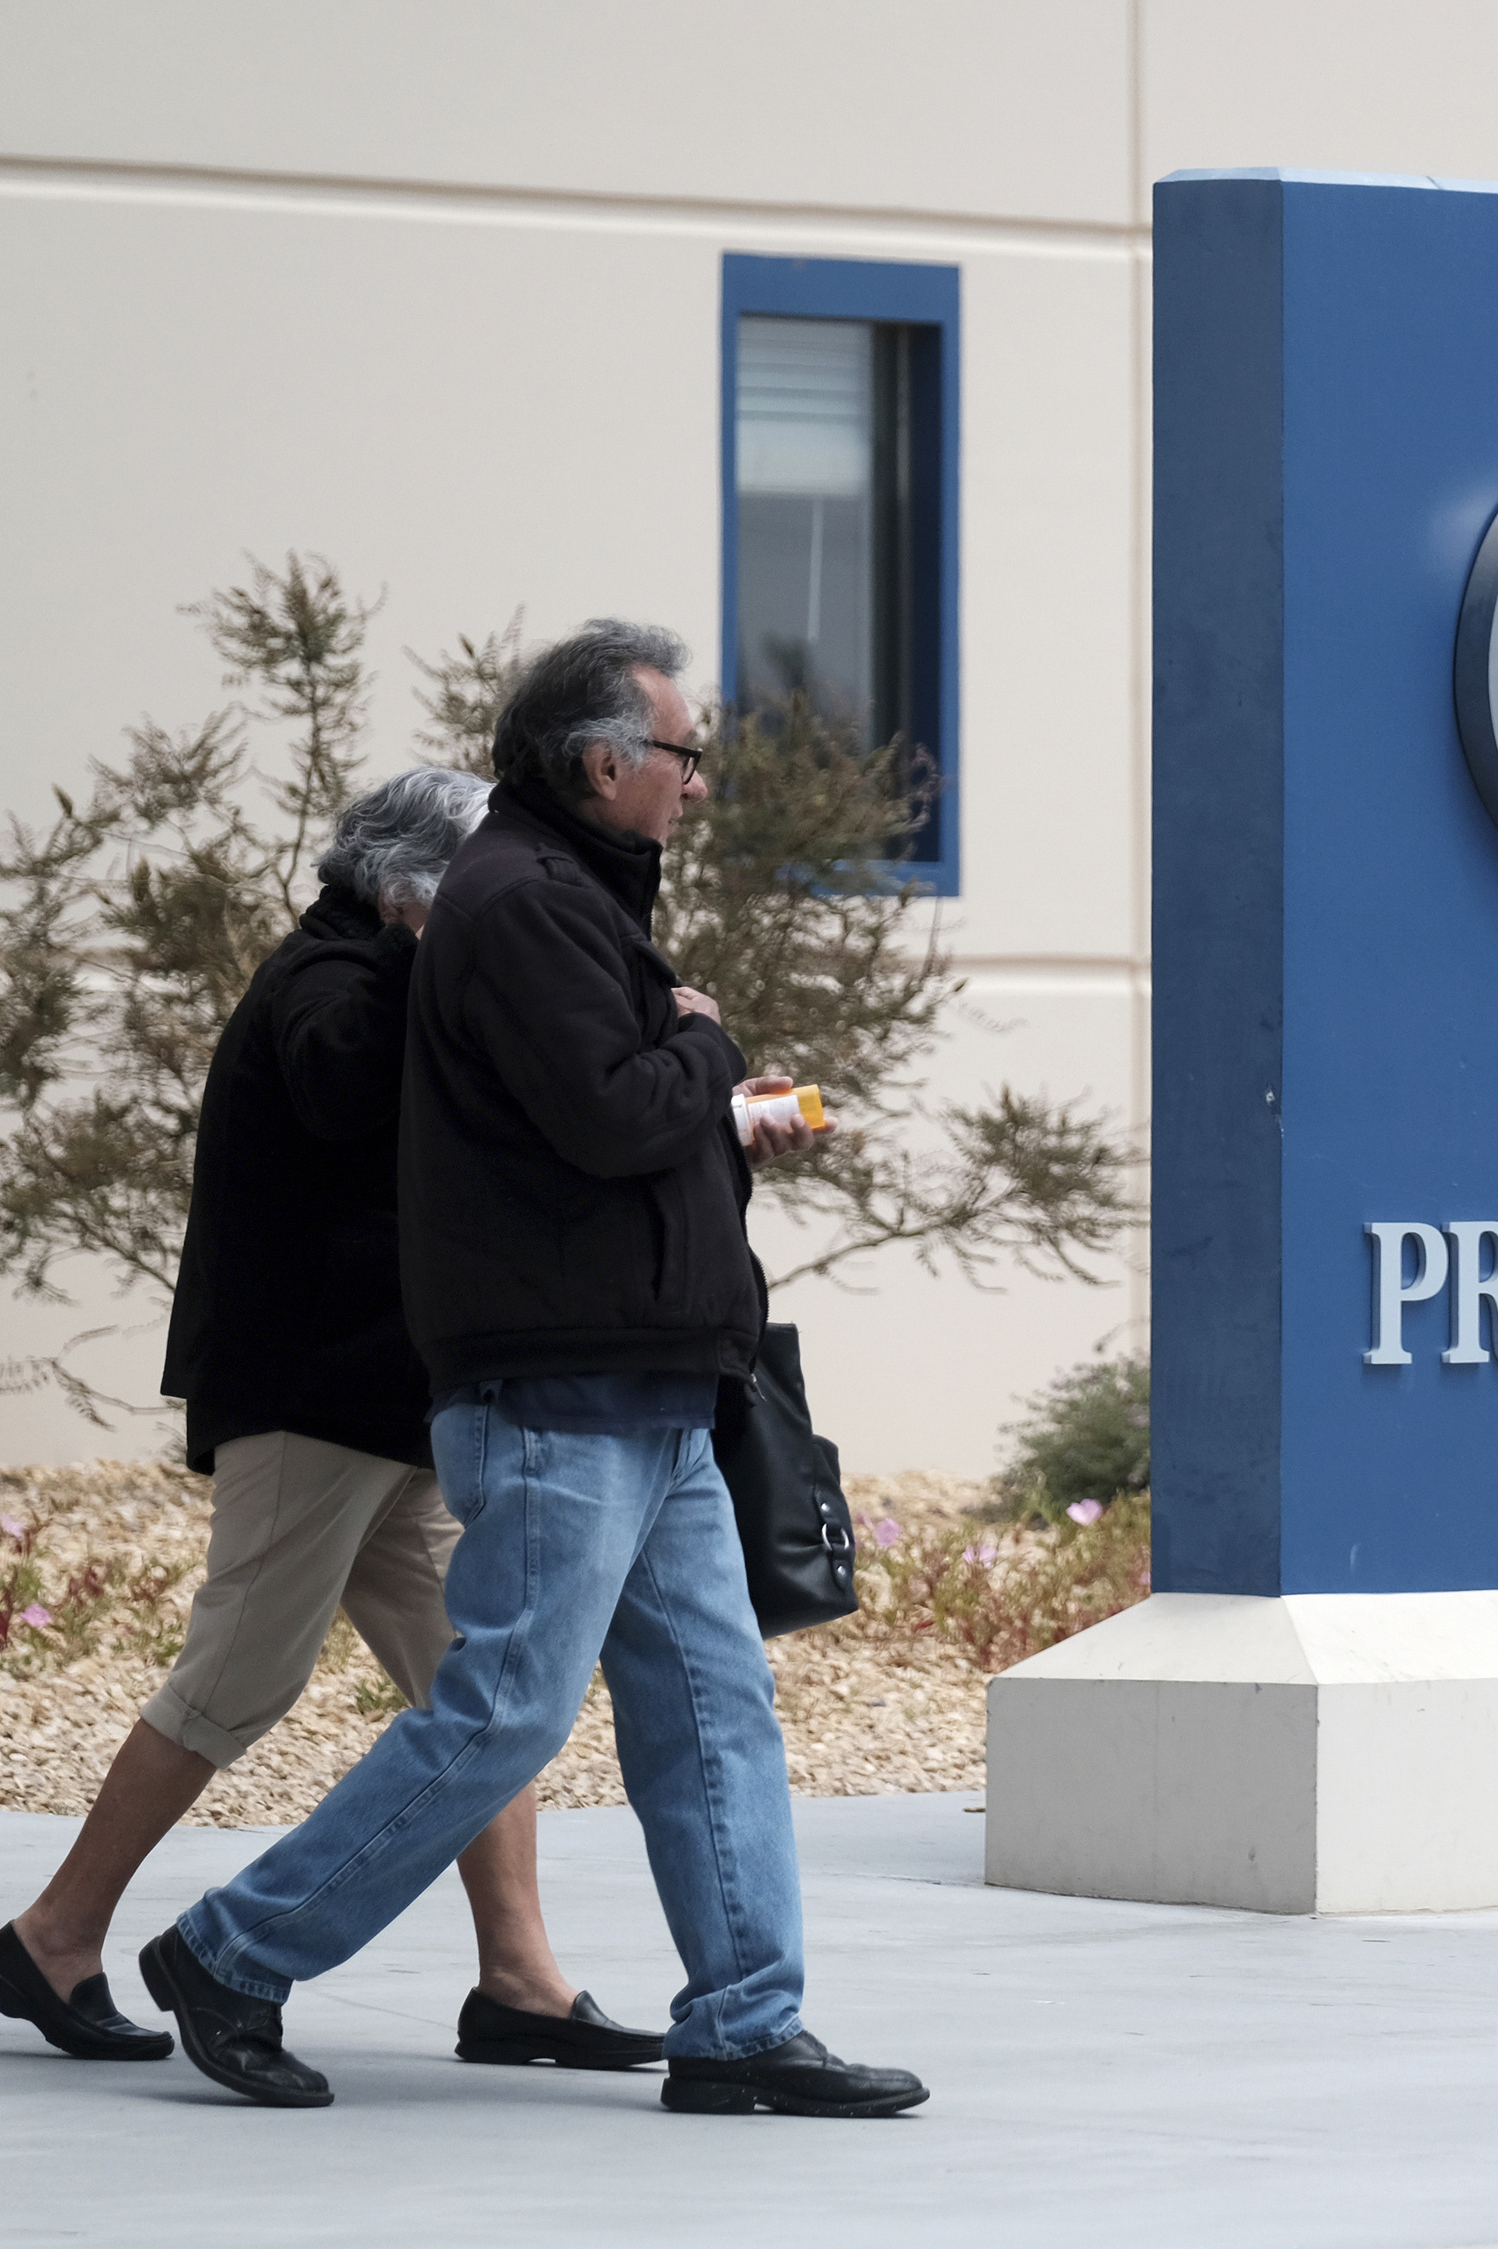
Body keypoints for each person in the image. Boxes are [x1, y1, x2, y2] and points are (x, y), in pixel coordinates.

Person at [134, 621, 925, 2116]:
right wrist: (709, 1042)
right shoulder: (520, 904)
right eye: (684, 757)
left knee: (713, 1709)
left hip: (649, 1389)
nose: (697, 785)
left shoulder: (567, 899)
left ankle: (745, 2024)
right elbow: (615, 1116)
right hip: (560, 1391)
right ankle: (236, 1949)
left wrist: (696, 1077)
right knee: (503, 1711)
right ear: (602, 761)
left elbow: (614, 1116)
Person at [1, 769, 650, 2075]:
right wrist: (442, 961)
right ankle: (55, 1935)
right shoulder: (332, 983)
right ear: (415, 889)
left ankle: (520, 1980)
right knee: (243, 1672)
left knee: (479, 1688)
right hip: (310, 1402)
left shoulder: (379, 975)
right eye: (479, 887)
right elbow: (346, 1082)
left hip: (386, 1406)